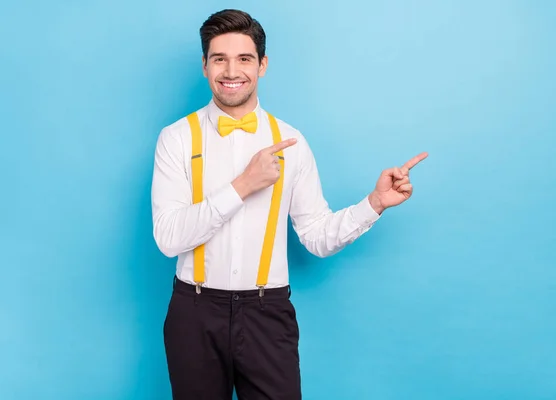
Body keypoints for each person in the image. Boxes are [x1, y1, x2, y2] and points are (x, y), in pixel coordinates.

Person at [151, 8, 428, 400]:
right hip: (193, 312)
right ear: (204, 66)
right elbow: (167, 239)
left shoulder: (291, 141)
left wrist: (374, 203)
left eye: (244, 58)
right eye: (220, 59)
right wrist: (243, 185)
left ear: (262, 65)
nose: (232, 71)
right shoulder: (175, 139)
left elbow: (316, 236)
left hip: (268, 313)